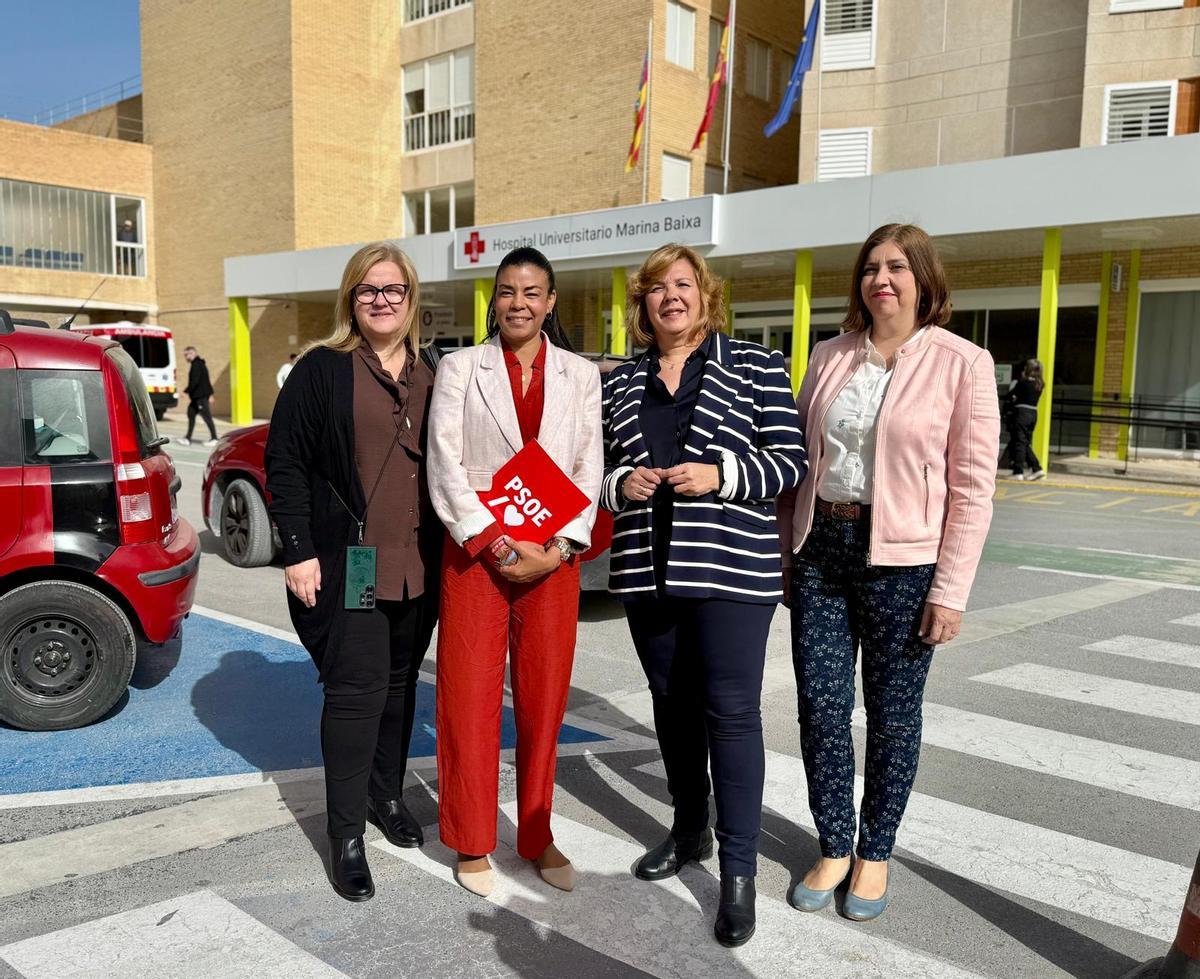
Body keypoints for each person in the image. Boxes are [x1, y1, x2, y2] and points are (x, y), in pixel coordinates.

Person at [779, 223, 999, 922]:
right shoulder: (829, 355)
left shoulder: (963, 362)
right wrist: (789, 553)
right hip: (823, 551)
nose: (882, 278)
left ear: (923, 279)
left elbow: (971, 487)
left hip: (905, 560)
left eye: (897, 266)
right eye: (871, 266)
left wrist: (951, 589)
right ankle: (834, 842)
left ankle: (875, 851)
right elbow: (801, 463)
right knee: (820, 705)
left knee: (893, 715)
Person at [599, 244, 807, 948]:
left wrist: (720, 474)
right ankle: (689, 830)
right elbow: (596, 465)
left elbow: (788, 461)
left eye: (682, 284)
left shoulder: (755, 366)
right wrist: (616, 483)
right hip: (646, 569)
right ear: (643, 304)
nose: (670, 297)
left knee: (731, 714)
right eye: (656, 287)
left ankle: (739, 871)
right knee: (671, 706)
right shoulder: (621, 381)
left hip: (729, 571)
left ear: (705, 295)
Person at [264, 241, 442, 902]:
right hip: (359, 561)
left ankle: (385, 795)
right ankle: (345, 836)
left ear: (411, 297)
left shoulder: (433, 371)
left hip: (419, 563)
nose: (381, 299)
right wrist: (298, 547)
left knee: (400, 686)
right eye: (369, 289)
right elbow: (284, 463)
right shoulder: (323, 370)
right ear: (351, 298)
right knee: (356, 690)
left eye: (393, 289)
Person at [427, 247, 602, 899]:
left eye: (532, 292)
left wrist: (557, 548)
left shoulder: (581, 375)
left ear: (551, 301)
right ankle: (472, 838)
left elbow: (588, 467)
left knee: (543, 699)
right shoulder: (459, 368)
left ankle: (536, 831)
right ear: (492, 300)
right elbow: (444, 463)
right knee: (469, 696)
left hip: (553, 552)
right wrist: (497, 544)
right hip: (478, 551)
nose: (519, 303)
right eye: (506, 291)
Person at [1003, 357, 1045, 480]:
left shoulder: (1023, 383)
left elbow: (1010, 395)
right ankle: (1036, 468)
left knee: (1019, 443)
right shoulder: (1039, 384)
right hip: (1033, 414)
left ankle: (1018, 471)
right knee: (1024, 442)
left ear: (1028, 369)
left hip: (1021, 414)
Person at [176, 346, 219, 446]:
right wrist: (211, 394)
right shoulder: (199, 364)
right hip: (196, 398)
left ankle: (214, 438)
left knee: (207, 417)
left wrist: (185, 392)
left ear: (192, 353)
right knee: (191, 413)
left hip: (200, 397)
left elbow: (194, 382)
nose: (185, 357)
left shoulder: (196, 364)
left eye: (186, 355)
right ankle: (187, 438)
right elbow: (206, 380)